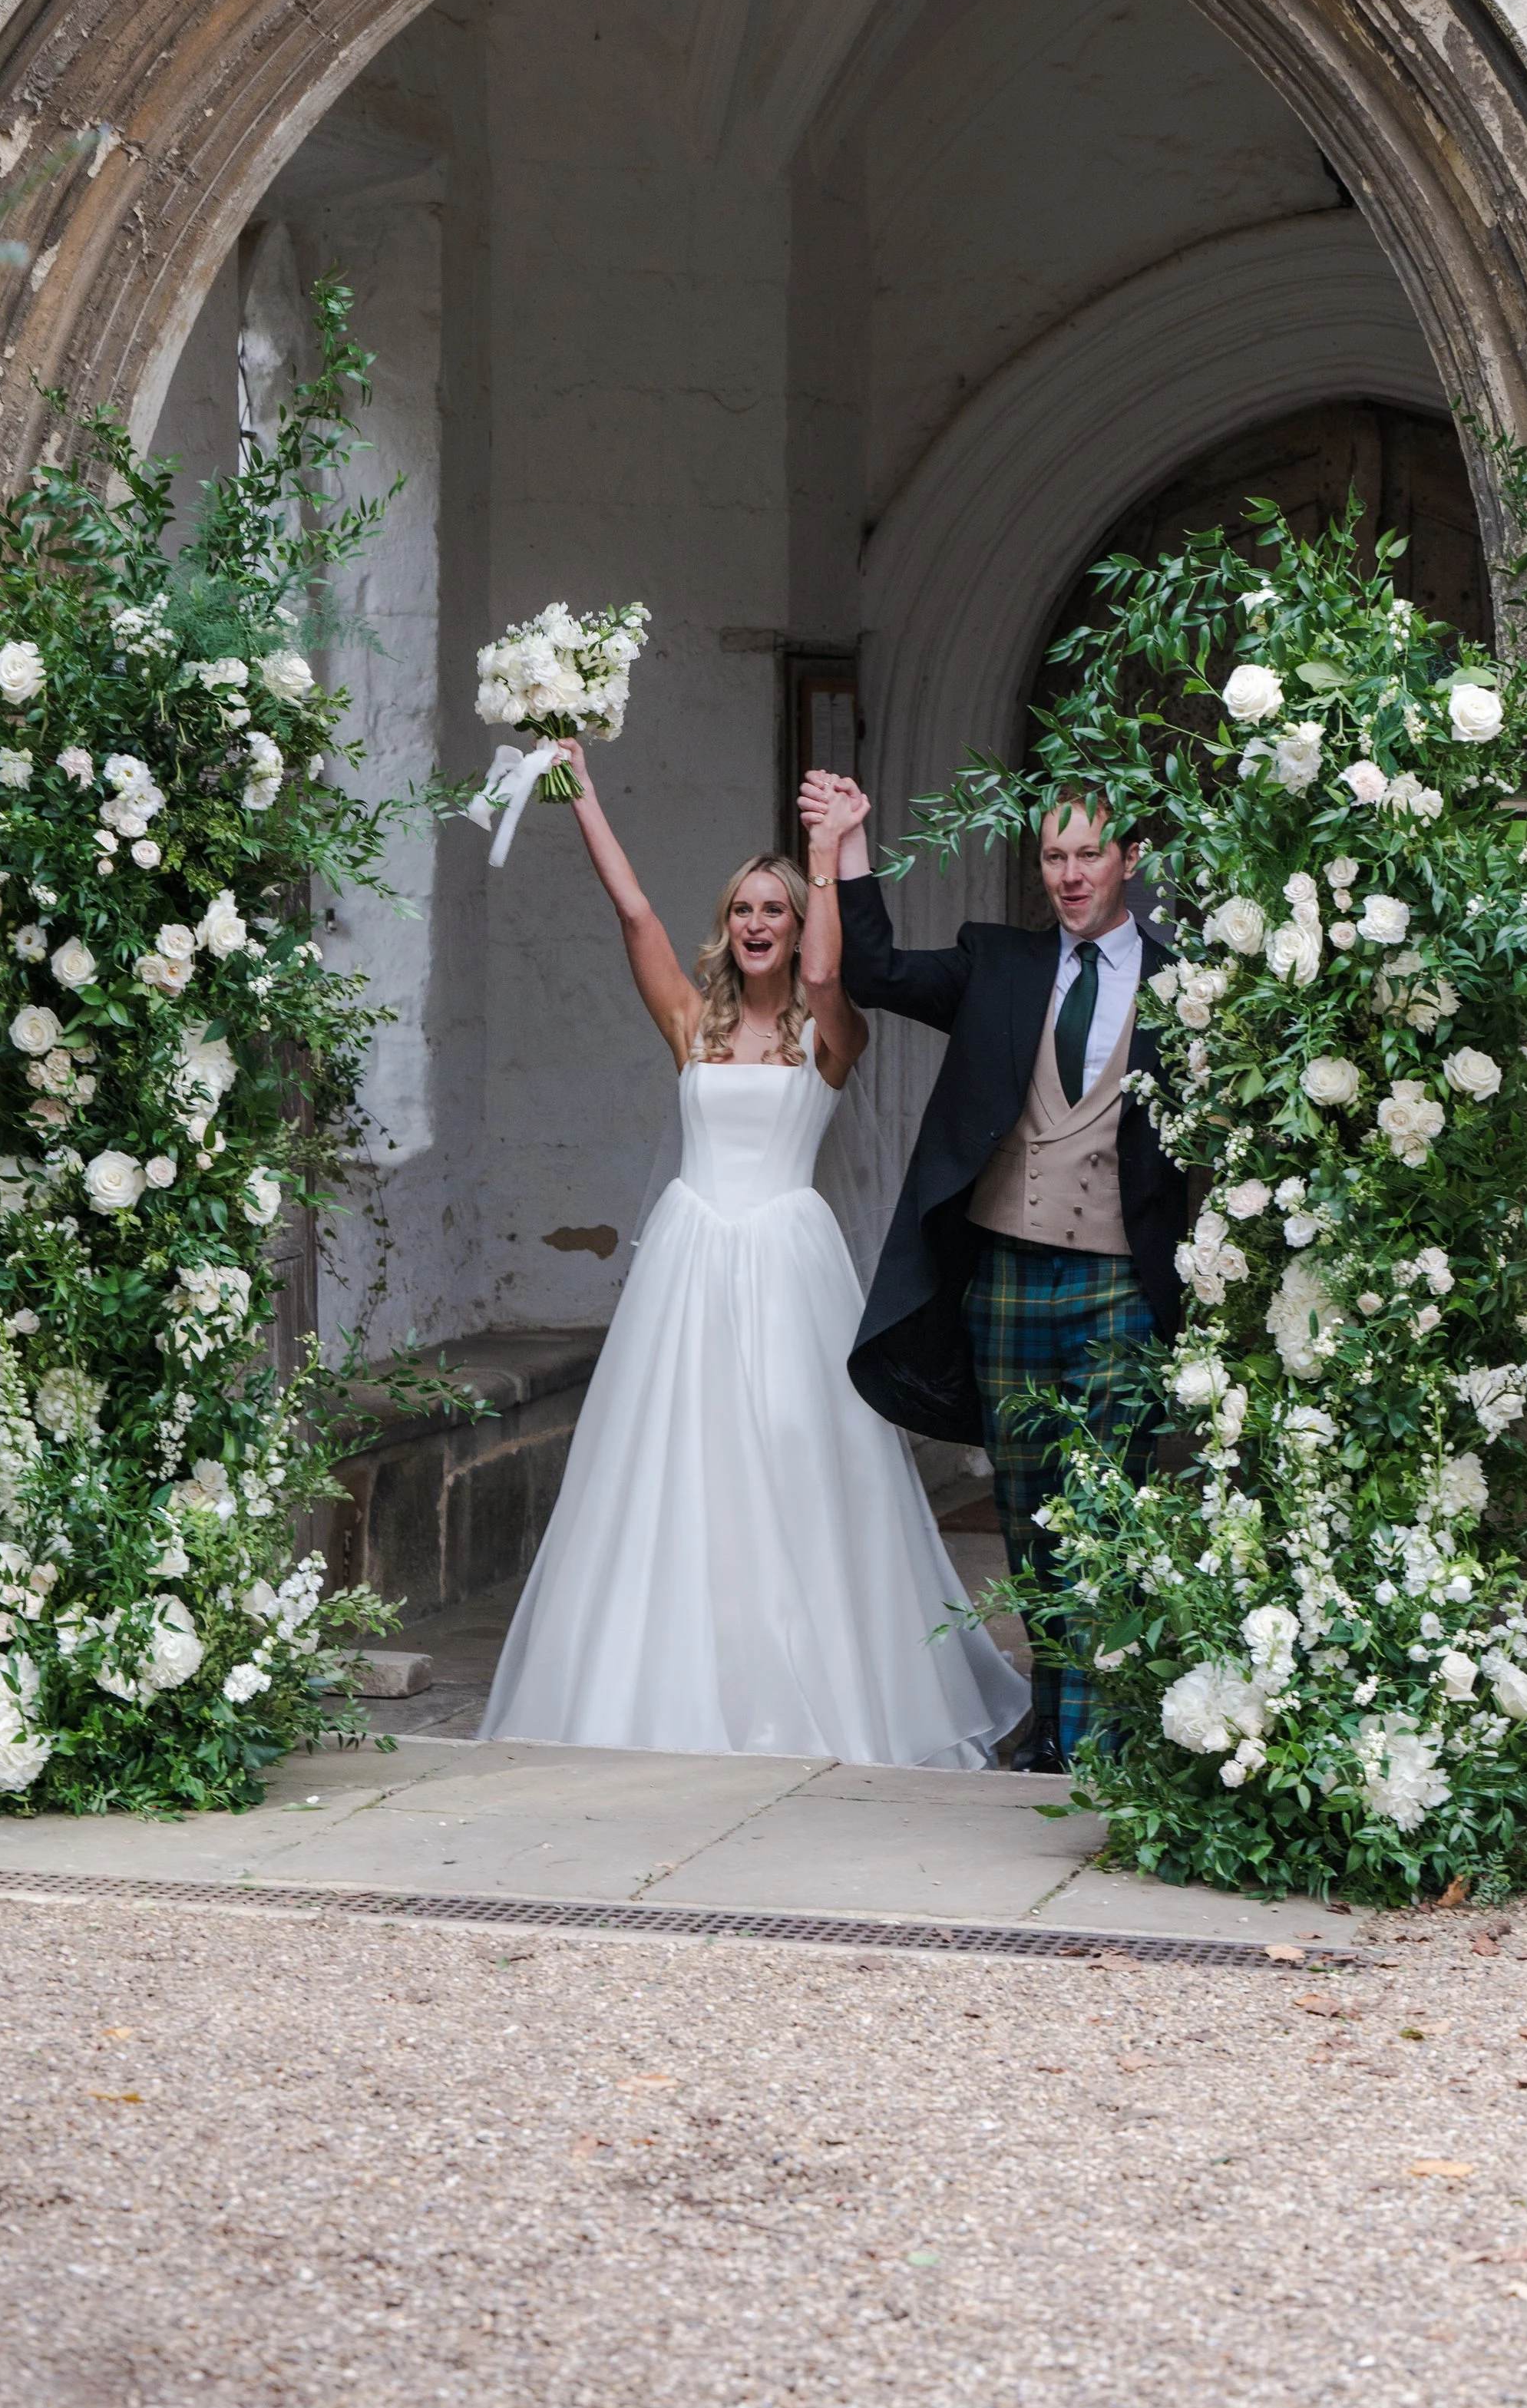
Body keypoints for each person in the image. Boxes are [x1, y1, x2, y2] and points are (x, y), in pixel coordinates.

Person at [480, 742, 1026, 1768]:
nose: (761, 925)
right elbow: (635, 914)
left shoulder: (828, 1036)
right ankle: (667, 1688)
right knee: (673, 1470)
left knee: (795, 1458)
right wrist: (584, 794)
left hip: (785, 1264)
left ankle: (820, 1677)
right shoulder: (690, 1026)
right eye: (746, 911)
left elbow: (829, 970)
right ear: (726, 931)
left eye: (774, 910)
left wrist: (825, 853)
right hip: (688, 1264)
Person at [798, 772, 1186, 1772]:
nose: (1068, 876)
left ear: (1128, 861)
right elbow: (874, 972)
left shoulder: (1189, 985)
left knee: (1109, 1507)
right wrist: (847, 844)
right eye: (1053, 857)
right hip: (1005, 1276)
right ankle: (1053, 1721)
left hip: (1118, 1283)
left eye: (1087, 855)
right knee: (1027, 1510)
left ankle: (1103, 1729)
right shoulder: (998, 963)